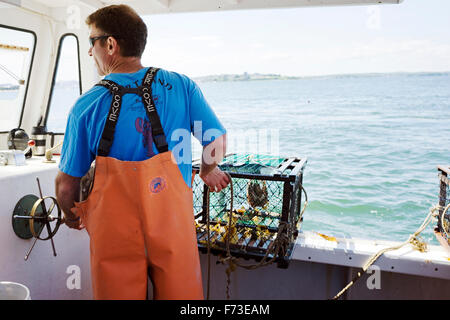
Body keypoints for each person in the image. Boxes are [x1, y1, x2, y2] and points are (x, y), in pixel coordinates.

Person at [54, 4, 230, 300]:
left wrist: (71, 216)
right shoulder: (181, 86)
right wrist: (206, 171)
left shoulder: (86, 105)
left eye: (91, 42)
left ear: (110, 44)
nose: (89, 52)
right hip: (172, 227)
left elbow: (66, 184)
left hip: (115, 236)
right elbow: (217, 143)